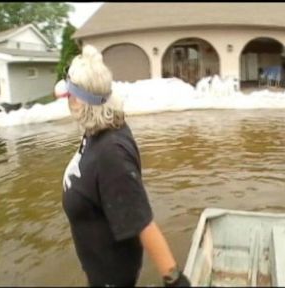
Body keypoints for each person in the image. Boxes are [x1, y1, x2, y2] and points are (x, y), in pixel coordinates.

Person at [55, 45, 191, 287]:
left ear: (78, 103)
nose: (66, 101)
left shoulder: (110, 155)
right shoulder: (97, 129)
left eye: (70, 96)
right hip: (98, 268)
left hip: (112, 277)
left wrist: (174, 279)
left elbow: (141, 220)